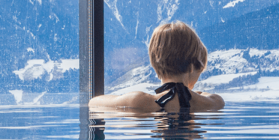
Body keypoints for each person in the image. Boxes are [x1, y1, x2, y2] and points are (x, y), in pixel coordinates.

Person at [89, 21, 225, 112]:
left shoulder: (140, 101)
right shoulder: (209, 103)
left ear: (155, 64)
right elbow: (216, 99)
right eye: (199, 71)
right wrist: (195, 94)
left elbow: (94, 102)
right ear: (191, 67)